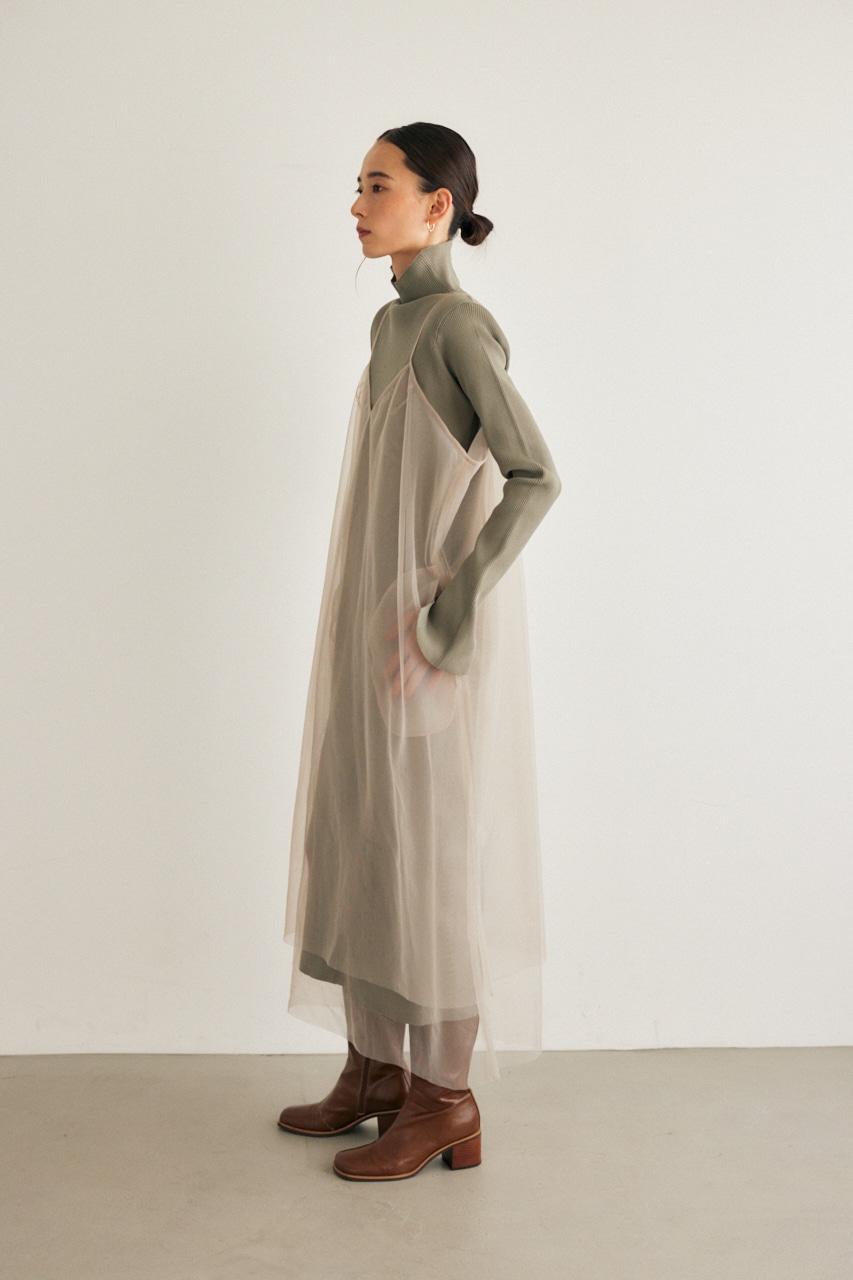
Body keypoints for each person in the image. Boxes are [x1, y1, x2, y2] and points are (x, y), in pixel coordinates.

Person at [279, 122, 561, 1181]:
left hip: (422, 643)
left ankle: (445, 1097)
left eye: (379, 185)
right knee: (360, 839)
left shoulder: (457, 326)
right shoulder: (388, 324)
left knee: (428, 860)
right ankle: (376, 1072)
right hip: (367, 632)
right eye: (356, 185)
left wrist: (449, 617)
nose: (357, 204)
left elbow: (535, 476)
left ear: (439, 205)